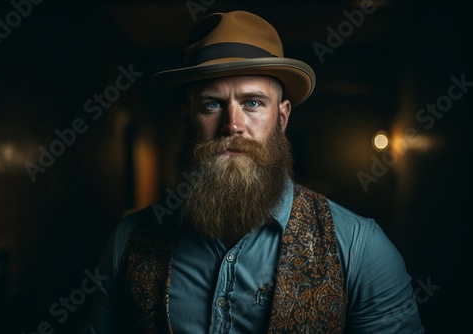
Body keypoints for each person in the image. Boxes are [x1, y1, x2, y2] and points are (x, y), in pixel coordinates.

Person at [87, 10, 423, 333]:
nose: (232, 125)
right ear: (187, 117)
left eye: (252, 103)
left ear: (282, 117)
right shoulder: (127, 241)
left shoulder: (361, 248)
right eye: (212, 104)